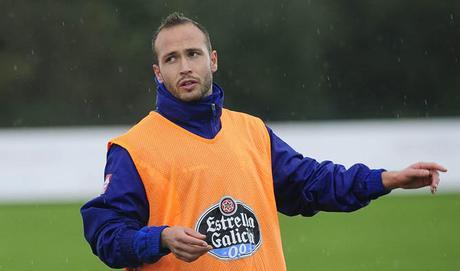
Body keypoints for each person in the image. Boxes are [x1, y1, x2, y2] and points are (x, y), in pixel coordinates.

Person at [80, 12, 447, 271]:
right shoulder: (134, 148)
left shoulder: (252, 131)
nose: (185, 67)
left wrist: (387, 179)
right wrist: (159, 239)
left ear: (213, 60)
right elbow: (107, 235)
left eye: (193, 54)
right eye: (172, 59)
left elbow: (312, 183)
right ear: (158, 73)